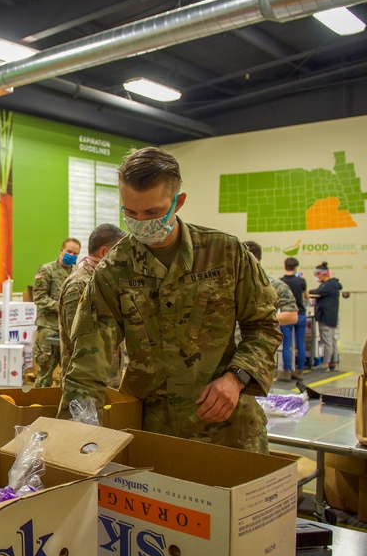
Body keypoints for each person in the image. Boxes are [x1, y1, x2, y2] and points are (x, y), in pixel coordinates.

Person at [61, 146, 281, 453]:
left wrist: (237, 377)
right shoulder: (114, 270)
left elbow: (264, 327)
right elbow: (88, 362)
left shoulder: (225, 253)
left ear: (178, 202)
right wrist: (72, 440)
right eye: (130, 213)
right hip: (151, 433)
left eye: (151, 212)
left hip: (228, 431)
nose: (140, 222)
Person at [59, 224, 125, 390]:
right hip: (84, 384)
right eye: (120, 251)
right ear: (104, 252)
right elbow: (79, 340)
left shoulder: (105, 282)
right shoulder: (80, 285)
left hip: (108, 380)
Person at [243, 241, 299, 381]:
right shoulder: (230, 284)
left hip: (257, 354)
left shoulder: (273, 285)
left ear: (253, 257)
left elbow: (292, 316)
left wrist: (258, 318)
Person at [32, 237, 81, 387]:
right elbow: (39, 298)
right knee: (45, 371)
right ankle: (39, 407)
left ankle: (61, 407)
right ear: (61, 251)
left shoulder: (77, 273)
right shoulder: (46, 270)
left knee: (68, 374)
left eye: (75, 253)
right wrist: (61, 307)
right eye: (69, 251)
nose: (71, 255)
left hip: (68, 330)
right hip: (49, 327)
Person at [309, 261, 343, 371]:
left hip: (326, 317)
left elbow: (317, 291)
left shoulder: (328, 285)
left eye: (317, 275)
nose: (317, 277)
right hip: (331, 317)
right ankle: (334, 362)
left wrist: (308, 291)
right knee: (332, 341)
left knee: (327, 342)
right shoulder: (333, 284)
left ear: (323, 274)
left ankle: (325, 364)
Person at [280, 256, 309, 380]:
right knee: (300, 343)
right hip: (300, 314)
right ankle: (300, 371)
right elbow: (307, 296)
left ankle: (286, 372)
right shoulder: (301, 281)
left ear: (284, 266)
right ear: (296, 267)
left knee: (286, 344)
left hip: (286, 315)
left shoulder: (280, 282)